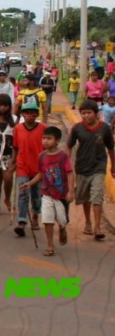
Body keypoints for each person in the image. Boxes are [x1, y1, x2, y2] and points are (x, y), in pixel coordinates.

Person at [21, 126, 73, 257]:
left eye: (49, 138)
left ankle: (62, 228)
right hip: (46, 193)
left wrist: (71, 191)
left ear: (57, 140)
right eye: (43, 138)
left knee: (62, 219)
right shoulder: (42, 156)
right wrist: (30, 183)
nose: (45, 141)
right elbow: (41, 174)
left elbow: (70, 173)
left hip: (61, 194)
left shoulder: (63, 156)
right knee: (47, 219)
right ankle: (50, 245)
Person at [67, 100, 115, 240]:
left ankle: (97, 227)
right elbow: (69, 146)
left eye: (89, 113)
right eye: (83, 113)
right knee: (84, 197)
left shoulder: (104, 128)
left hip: (99, 166)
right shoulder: (77, 128)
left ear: (96, 113)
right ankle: (88, 221)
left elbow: (111, 148)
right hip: (82, 166)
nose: (86, 116)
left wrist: (113, 165)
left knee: (97, 196)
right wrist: (67, 163)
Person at [11, 101, 46, 237]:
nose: (30, 116)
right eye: (26, 113)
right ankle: (22, 221)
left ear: (36, 114)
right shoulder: (18, 128)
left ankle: (36, 213)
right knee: (23, 193)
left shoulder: (43, 127)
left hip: (38, 167)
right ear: (22, 115)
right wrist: (13, 162)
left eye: (33, 113)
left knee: (37, 195)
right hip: (23, 166)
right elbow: (15, 147)